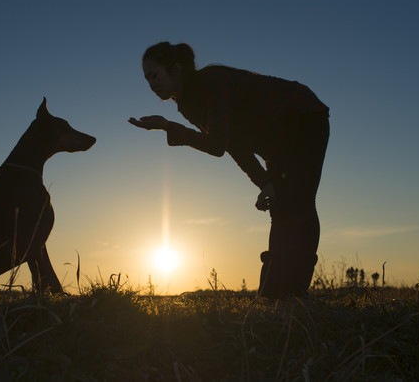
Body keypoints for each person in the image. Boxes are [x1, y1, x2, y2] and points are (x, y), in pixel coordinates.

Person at [129, 42, 329, 298]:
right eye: (147, 80)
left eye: (154, 75)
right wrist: (264, 182)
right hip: (276, 137)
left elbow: (216, 146)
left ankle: (292, 291)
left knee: (299, 202)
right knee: (280, 205)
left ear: (176, 69)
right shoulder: (187, 103)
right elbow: (232, 145)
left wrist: (168, 127)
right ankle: (272, 293)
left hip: (303, 117)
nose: (151, 85)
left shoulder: (213, 82)